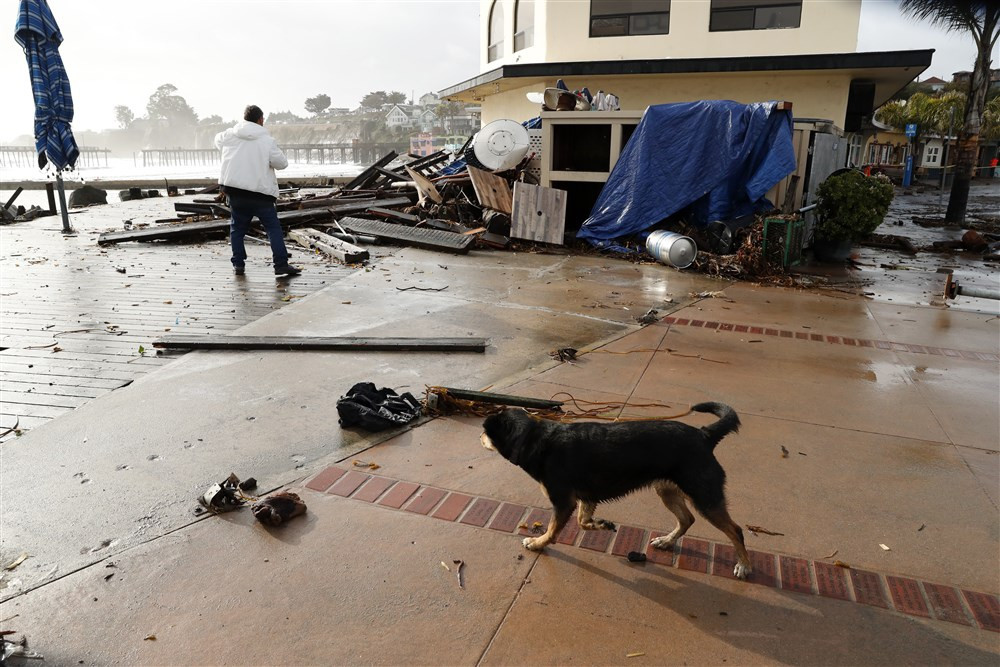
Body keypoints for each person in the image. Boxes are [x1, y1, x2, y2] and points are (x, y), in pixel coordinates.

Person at [215, 105, 301, 277]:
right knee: (273, 229)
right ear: (260, 119)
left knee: (237, 229)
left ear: (244, 118)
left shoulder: (229, 135)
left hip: (236, 192)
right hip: (260, 194)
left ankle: (238, 265)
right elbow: (282, 164)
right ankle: (281, 265)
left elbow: (217, 140)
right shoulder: (267, 140)